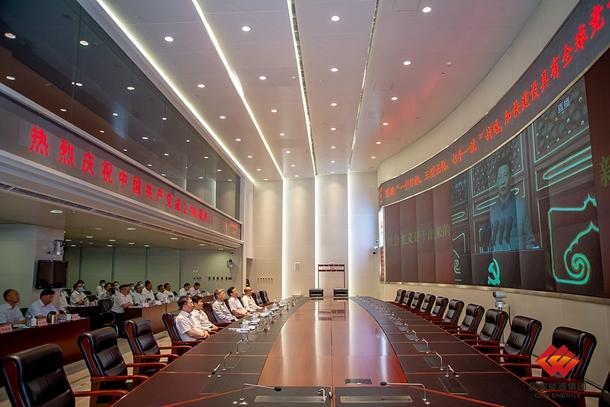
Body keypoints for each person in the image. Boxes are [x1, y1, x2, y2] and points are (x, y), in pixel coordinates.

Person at [489, 160, 538, 252]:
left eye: (505, 175)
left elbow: (530, 242)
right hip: (499, 260)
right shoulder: (493, 212)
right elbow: (492, 245)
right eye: (499, 177)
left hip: (518, 260)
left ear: (511, 178)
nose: (502, 181)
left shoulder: (521, 205)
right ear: (496, 182)